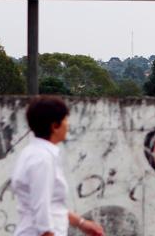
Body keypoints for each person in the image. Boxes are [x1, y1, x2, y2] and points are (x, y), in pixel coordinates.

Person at [11, 96, 104, 236]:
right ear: (55, 126)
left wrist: (82, 224)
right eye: (65, 120)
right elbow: (41, 208)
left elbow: (52, 206)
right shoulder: (42, 159)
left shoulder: (34, 153)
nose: (68, 125)